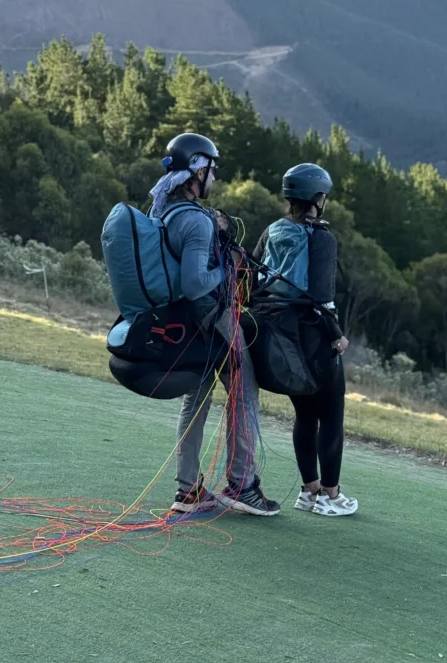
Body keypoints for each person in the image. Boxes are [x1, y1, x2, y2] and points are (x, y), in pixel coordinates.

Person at [147, 133, 280, 517]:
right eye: (211, 169)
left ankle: (188, 490)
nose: (214, 177)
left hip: (185, 322)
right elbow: (194, 282)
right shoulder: (195, 221)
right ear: (196, 172)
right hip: (213, 318)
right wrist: (224, 267)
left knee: (197, 398)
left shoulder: (165, 212)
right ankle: (243, 485)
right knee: (245, 391)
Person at [254, 163, 358, 517]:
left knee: (304, 415)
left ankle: (308, 490)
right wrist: (337, 337)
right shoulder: (322, 238)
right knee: (331, 415)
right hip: (315, 338)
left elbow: (254, 278)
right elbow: (321, 298)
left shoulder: (273, 230)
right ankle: (331, 494)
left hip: (283, 337)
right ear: (317, 198)